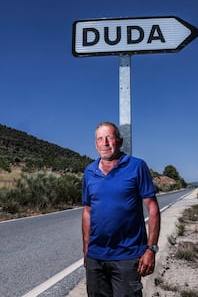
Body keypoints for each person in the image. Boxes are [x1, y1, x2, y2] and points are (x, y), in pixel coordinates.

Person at [82, 121, 160, 297]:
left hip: (128, 256)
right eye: (100, 139)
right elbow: (87, 211)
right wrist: (86, 248)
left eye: (109, 137)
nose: (105, 143)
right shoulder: (89, 172)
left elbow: (153, 208)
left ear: (120, 140)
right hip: (96, 257)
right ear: (96, 144)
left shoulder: (137, 166)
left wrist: (151, 249)